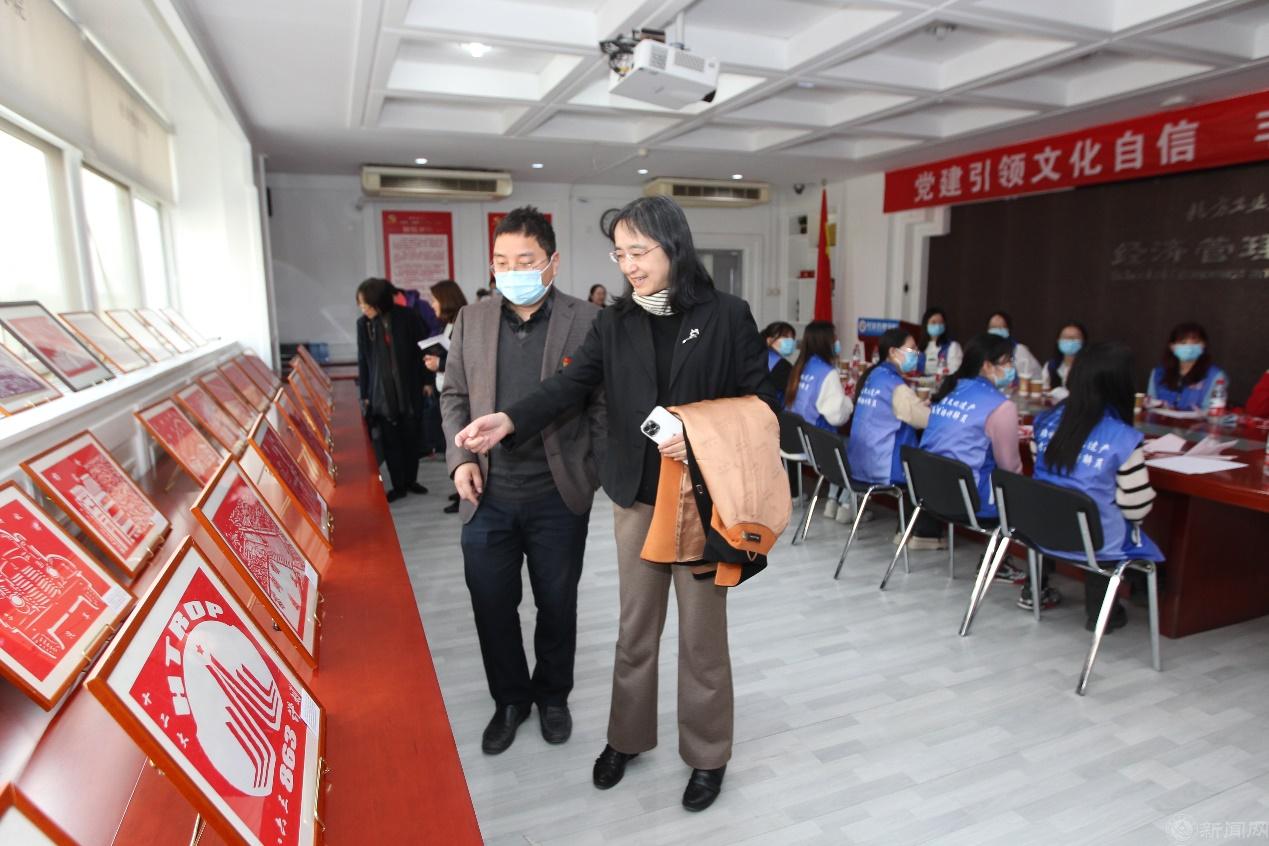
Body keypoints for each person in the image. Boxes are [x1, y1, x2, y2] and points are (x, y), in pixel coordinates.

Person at [453, 196, 773, 812]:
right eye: (620, 254)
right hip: (638, 500)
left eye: (638, 252)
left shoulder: (727, 316)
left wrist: (698, 432)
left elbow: (763, 406)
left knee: (702, 638)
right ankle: (626, 739)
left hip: (704, 502)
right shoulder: (616, 321)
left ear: (673, 247)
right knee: (635, 631)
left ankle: (708, 755)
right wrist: (510, 419)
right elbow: (569, 385)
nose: (628, 265)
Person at [440, 206, 605, 757]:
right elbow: (454, 395)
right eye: (501, 261)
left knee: (557, 604)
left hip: (558, 494)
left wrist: (590, 472)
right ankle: (510, 700)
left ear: (552, 262)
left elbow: (602, 405)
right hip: (485, 493)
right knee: (492, 603)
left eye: (525, 260)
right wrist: (459, 461)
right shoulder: (473, 318)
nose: (511, 271)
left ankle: (553, 696)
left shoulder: (587, 320)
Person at [1032, 341, 1159, 632]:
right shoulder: (1123, 437)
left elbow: (1040, 470)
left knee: (1091, 516)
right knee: (1111, 523)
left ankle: (1036, 587)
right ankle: (1102, 613)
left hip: (1041, 526)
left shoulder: (1045, 421)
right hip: (1095, 540)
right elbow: (1136, 506)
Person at [919, 333, 1053, 602]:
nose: (1012, 368)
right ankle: (1032, 584)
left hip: (930, 490)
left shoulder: (950, 389)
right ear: (987, 365)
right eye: (1007, 362)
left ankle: (1000, 560)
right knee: (1035, 497)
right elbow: (1010, 468)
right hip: (969, 499)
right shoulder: (1000, 407)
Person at [355, 277, 429, 502]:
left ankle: (411, 480)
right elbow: (363, 360)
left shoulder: (407, 316)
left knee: (412, 436)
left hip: (409, 387)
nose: (363, 309)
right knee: (390, 440)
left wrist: (427, 381)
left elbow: (423, 351)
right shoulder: (364, 324)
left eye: (366, 304)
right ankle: (398, 485)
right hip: (381, 393)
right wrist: (365, 394)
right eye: (360, 304)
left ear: (379, 301)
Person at [847, 326, 930, 498]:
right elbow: (925, 420)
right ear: (893, 352)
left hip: (859, 461)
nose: (916, 354)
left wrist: (915, 405)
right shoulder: (895, 385)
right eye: (912, 349)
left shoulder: (875, 375)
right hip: (883, 467)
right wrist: (926, 408)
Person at [784, 320, 854, 523]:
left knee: (841, 443)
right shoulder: (827, 373)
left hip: (795, 439)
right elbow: (837, 417)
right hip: (816, 444)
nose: (838, 342)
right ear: (826, 342)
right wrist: (849, 402)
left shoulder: (801, 366)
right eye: (835, 338)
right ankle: (846, 505)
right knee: (856, 447)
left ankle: (833, 500)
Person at [424, 279, 469, 512]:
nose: (432, 304)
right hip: (445, 389)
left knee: (459, 444)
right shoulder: (449, 323)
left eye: (435, 300)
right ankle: (460, 488)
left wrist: (439, 364)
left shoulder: (464, 321)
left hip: (459, 393)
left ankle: (466, 494)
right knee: (452, 443)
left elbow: (466, 361)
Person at [1146, 322, 1228, 410]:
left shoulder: (1215, 375)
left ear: (1203, 345)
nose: (1189, 347)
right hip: (1159, 419)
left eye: (1195, 343)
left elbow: (1212, 411)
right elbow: (1150, 406)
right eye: (1183, 343)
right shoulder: (1158, 373)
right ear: (1172, 347)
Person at [987, 310, 1041, 383]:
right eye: (993, 327)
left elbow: (1036, 377)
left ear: (1008, 330)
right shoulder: (981, 351)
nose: (997, 330)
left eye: (1001, 327)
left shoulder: (1019, 350)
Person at [1042, 320, 1088, 397]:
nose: (1070, 341)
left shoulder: (1090, 367)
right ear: (1058, 340)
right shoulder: (1051, 365)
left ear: (1083, 341)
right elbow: (1045, 391)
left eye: (1075, 337)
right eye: (1065, 337)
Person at [918, 306, 962, 377]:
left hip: (944, 383)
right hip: (922, 383)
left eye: (941, 322)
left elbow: (955, 371)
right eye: (933, 322)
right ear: (926, 325)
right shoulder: (920, 348)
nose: (938, 325)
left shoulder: (953, 346)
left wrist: (941, 374)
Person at [760, 321, 796, 406]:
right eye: (785, 337)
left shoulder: (758, 356)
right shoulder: (782, 366)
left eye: (792, 338)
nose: (790, 341)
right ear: (769, 340)